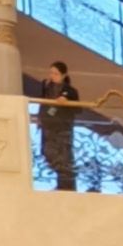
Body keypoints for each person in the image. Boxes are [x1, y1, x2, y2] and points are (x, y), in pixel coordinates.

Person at [33, 55, 85, 191]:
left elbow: (77, 108)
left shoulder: (70, 91)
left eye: (56, 74)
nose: (52, 76)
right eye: (51, 73)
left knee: (64, 157)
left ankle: (67, 186)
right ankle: (62, 181)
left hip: (62, 128)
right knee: (48, 152)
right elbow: (43, 103)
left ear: (63, 75)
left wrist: (65, 101)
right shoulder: (46, 86)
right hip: (48, 126)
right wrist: (40, 118)